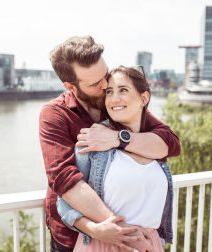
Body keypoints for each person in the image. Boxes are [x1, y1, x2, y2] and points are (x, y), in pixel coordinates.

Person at [39, 35, 180, 252]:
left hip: (136, 236)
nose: (106, 86)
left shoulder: (114, 102)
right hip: (77, 238)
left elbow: (170, 143)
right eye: (95, 83)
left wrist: (117, 138)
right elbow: (64, 180)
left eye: (105, 75)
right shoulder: (54, 115)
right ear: (71, 86)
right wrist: (122, 231)